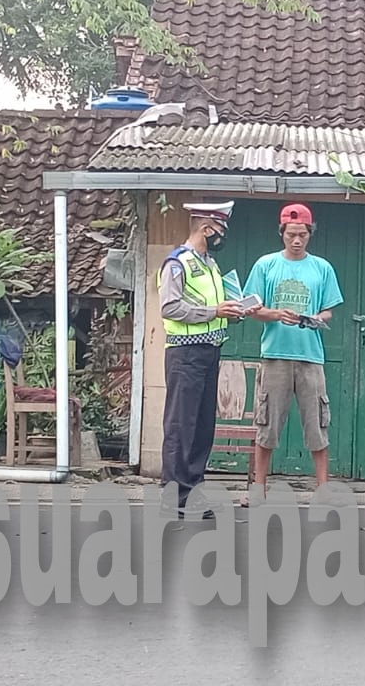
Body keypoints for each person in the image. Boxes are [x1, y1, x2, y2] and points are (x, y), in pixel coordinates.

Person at [241, 203, 343, 505]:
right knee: (267, 423)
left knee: (317, 424)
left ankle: (323, 490)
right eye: (291, 234)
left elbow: (328, 312)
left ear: (310, 234)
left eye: (302, 234)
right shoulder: (265, 265)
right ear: (282, 233)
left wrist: (312, 319)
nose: (297, 240)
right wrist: (274, 314)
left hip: (311, 356)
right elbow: (252, 309)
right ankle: (257, 490)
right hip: (274, 354)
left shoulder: (322, 268)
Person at [158, 201, 249, 517]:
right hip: (184, 353)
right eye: (220, 228)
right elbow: (169, 308)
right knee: (181, 426)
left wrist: (233, 312)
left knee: (202, 428)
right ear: (206, 226)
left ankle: (193, 493)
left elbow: (215, 307)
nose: (222, 235)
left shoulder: (210, 265)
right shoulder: (177, 263)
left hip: (210, 351)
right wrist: (214, 311)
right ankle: (174, 497)